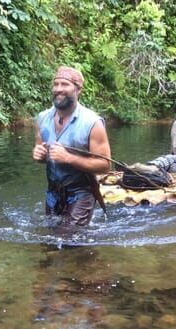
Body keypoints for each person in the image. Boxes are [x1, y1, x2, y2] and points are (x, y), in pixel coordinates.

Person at [32, 66, 111, 226]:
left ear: (78, 89)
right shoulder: (42, 118)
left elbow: (105, 165)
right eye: (56, 84)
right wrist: (39, 155)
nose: (58, 89)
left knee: (69, 241)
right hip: (53, 191)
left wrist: (68, 158)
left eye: (65, 84)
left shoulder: (92, 123)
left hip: (81, 192)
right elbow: (41, 151)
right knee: (50, 240)